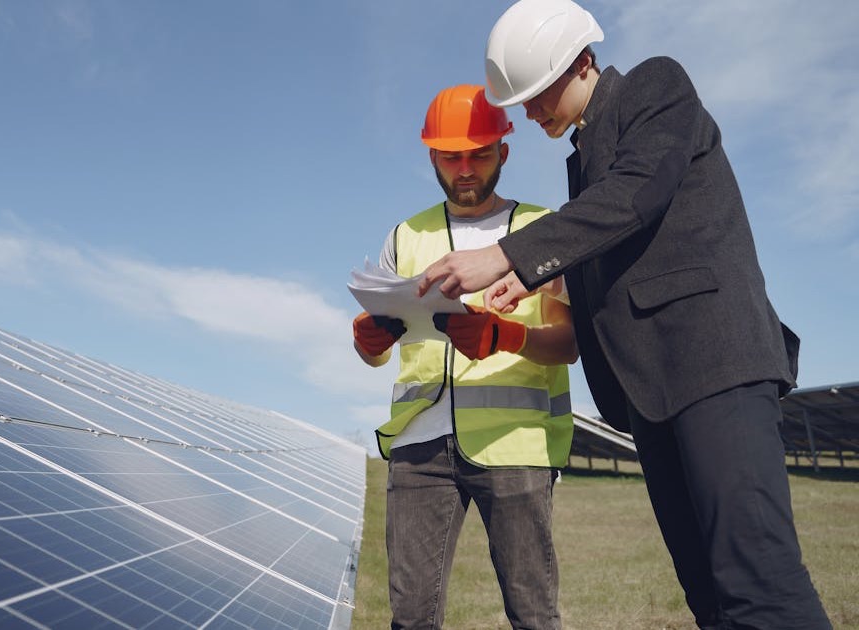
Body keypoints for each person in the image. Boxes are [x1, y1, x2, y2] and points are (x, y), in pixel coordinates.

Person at [416, 0, 832, 627]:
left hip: (713, 363)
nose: (527, 113)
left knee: (758, 584)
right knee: (707, 593)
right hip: (652, 391)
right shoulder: (583, 164)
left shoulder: (657, 86)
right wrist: (537, 286)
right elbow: (615, 251)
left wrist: (508, 256)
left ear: (582, 62)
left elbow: (636, 194)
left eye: (535, 94)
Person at [353, 83, 578, 630]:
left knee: (533, 615)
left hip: (515, 444)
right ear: (433, 156)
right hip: (416, 447)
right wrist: (367, 343)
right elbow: (382, 348)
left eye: (479, 153)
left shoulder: (542, 230)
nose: (466, 168)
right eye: (452, 157)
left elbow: (570, 344)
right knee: (410, 620)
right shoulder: (405, 235)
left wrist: (507, 338)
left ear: (504, 150)